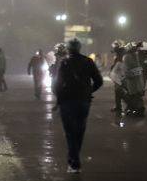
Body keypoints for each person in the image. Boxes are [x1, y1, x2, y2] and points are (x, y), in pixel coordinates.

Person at [52, 38, 103, 173]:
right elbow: (99, 81)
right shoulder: (88, 61)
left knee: (70, 133)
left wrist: (59, 97)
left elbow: (56, 84)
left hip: (67, 102)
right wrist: (88, 91)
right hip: (83, 102)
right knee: (80, 131)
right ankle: (74, 160)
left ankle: (74, 162)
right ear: (80, 48)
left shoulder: (64, 62)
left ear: (68, 49)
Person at [122, 42, 147, 116]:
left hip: (132, 80)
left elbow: (129, 68)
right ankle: (136, 110)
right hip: (137, 79)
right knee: (136, 96)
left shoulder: (128, 56)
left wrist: (127, 75)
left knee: (134, 96)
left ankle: (137, 111)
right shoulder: (135, 56)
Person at [109, 41, 126, 113]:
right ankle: (118, 106)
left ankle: (127, 105)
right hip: (119, 75)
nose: (114, 48)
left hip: (120, 75)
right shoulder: (120, 53)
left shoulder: (121, 54)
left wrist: (113, 67)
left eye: (115, 46)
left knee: (119, 92)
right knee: (118, 92)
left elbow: (120, 65)